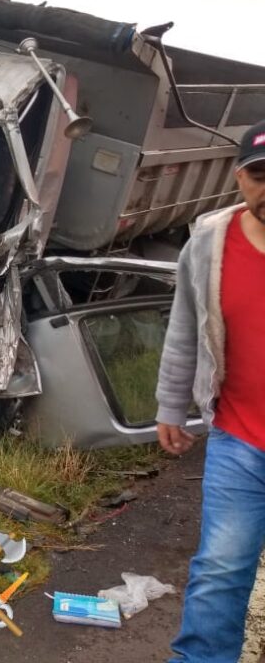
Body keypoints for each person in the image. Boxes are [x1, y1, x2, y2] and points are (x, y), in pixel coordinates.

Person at [156, 118, 265, 662]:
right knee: (220, 569)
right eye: (260, 174)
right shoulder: (208, 242)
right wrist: (171, 407)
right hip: (240, 437)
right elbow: (184, 330)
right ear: (239, 176)